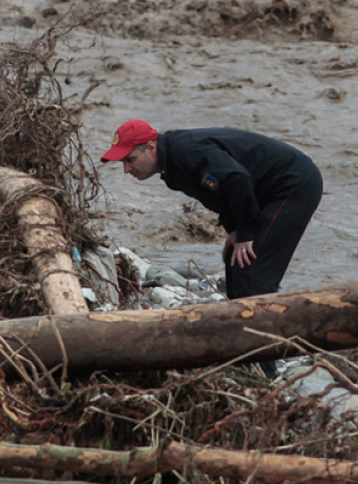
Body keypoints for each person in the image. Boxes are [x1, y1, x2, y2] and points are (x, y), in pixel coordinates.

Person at [101, 120, 323, 377]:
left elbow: (237, 179)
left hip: (292, 184)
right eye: (123, 163)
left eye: (130, 159)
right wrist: (234, 230)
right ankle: (243, 353)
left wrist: (247, 233)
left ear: (150, 148)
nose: (127, 169)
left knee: (252, 273)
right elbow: (221, 192)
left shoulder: (186, 153)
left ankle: (263, 369)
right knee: (235, 262)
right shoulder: (169, 163)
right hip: (262, 190)